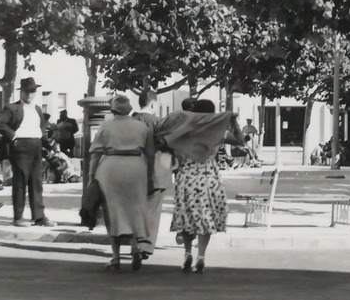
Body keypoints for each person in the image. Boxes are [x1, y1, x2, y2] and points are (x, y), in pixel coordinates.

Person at [154, 98, 243, 272]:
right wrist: (232, 121)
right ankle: (201, 256)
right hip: (209, 176)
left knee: (187, 216)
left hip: (186, 176)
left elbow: (162, 140)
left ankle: (187, 252)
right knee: (206, 217)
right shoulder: (217, 133)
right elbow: (240, 141)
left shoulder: (184, 131)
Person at [88, 95, 157, 271]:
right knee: (134, 208)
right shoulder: (142, 127)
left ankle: (116, 256)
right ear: (129, 109)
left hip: (111, 166)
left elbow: (95, 153)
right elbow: (150, 154)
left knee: (112, 210)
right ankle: (135, 247)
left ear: (113, 110)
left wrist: (91, 175)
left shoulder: (106, 127)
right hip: (135, 166)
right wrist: (149, 175)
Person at [0, 77, 51, 228]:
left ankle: (39, 217)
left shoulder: (37, 109)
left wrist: (46, 143)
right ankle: (18, 217)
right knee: (20, 183)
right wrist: (13, 136)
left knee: (37, 182)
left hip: (36, 146)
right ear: (22, 92)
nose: (30, 95)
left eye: (33, 91)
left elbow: (41, 127)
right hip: (21, 147)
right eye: (27, 91)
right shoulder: (12, 108)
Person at [134, 89, 173, 252]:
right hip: (156, 172)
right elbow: (168, 147)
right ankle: (145, 245)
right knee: (153, 210)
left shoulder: (130, 121)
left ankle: (135, 243)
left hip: (131, 171)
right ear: (153, 103)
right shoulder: (160, 123)